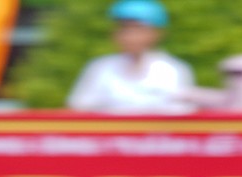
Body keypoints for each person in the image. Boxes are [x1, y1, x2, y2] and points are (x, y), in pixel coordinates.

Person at [66, 0, 194, 115]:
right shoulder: (100, 67)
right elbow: (78, 109)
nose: (130, 36)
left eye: (138, 28)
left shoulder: (173, 70)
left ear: (157, 33)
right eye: (124, 28)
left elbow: (181, 116)